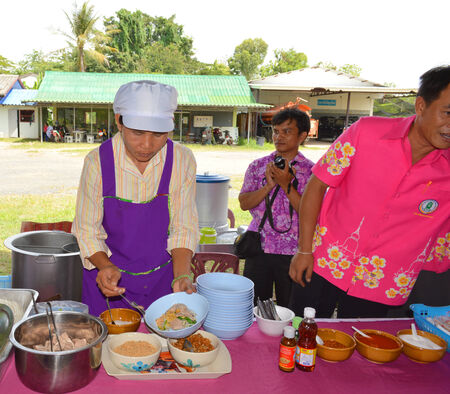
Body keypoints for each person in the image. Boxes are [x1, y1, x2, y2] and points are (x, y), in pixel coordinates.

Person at [289, 65, 450, 318]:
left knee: (360, 352)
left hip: (380, 282)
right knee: (299, 334)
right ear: (421, 106)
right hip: (323, 261)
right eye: (447, 113)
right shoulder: (366, 133)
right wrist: (304, 249)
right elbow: (317, 184)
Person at [72, 80, 200, 316]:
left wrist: (182, 274)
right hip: (107, 280)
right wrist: (105, 266)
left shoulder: (182, 160)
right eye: (138, 133)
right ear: (119, 121)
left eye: (159, 134)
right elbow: (86, 230)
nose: (147, 145)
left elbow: (184, 226)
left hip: (163, 281)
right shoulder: (97, 162)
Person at [239, 108, 314, 307]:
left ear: (302, 135)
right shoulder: (258, 166)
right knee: (253, 307)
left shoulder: (311, 172)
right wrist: (269, 186)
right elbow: (244, 203)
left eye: (287, 131)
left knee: (290, 307)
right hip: (259, 247)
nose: (278, 136)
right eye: (275, 131)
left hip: (294, 251)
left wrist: (285, 185)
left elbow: (311, 213)